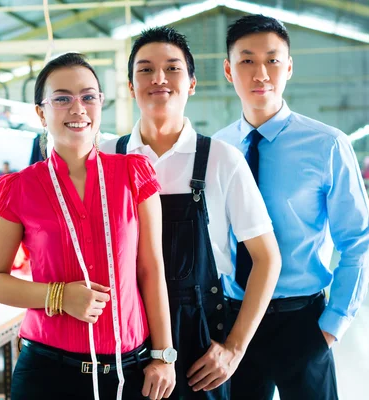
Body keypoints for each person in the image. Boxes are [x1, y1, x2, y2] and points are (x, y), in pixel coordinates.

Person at [0, 53, 176, 400]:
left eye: (88, 97)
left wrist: (164, 355)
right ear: (41, 112)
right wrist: (58, 296)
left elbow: (151, 269)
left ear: (100, 103)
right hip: (48, 373)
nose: (78, 108)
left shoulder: (133, 174)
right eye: (62, 98)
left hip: (129, 370)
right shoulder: (18, 188)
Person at [101, 27, 281, 400]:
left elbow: (267, 259)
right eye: (145, 70)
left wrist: (234, 348)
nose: (159, 79)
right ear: (131, 86)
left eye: (172, 68)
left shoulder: (221, 159)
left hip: (198, 339)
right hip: (121, 333)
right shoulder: (104, 158)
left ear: (192, 83)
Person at [213, 14, 369, 400]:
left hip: (302, 322)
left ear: (289, 66)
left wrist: (330, 328)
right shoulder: (216, 149)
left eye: (272, 60)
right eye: (246, 60)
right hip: (234, 321)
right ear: (228, 70)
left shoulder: (327, 145)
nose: (260, 73)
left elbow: (358, 242)